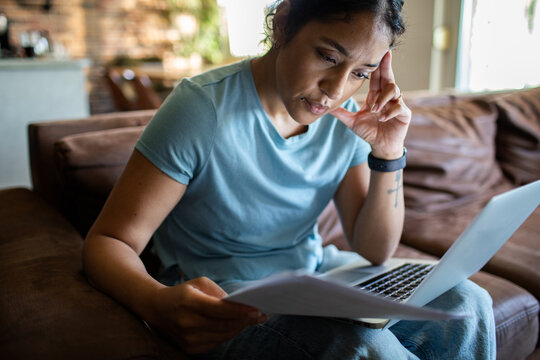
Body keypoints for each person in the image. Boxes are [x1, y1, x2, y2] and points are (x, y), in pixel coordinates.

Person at [83, 0, 496, 358]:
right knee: (363, 348)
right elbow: (108, 242)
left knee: (468, 302)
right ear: (282, 24)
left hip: (314, 280)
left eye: (361, 73)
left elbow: (374, 248)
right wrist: (155, 304)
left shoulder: (345, 118)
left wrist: (388, 154)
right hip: (231, 297)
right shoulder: (202, 108)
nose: (335, 90)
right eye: (329, 57)